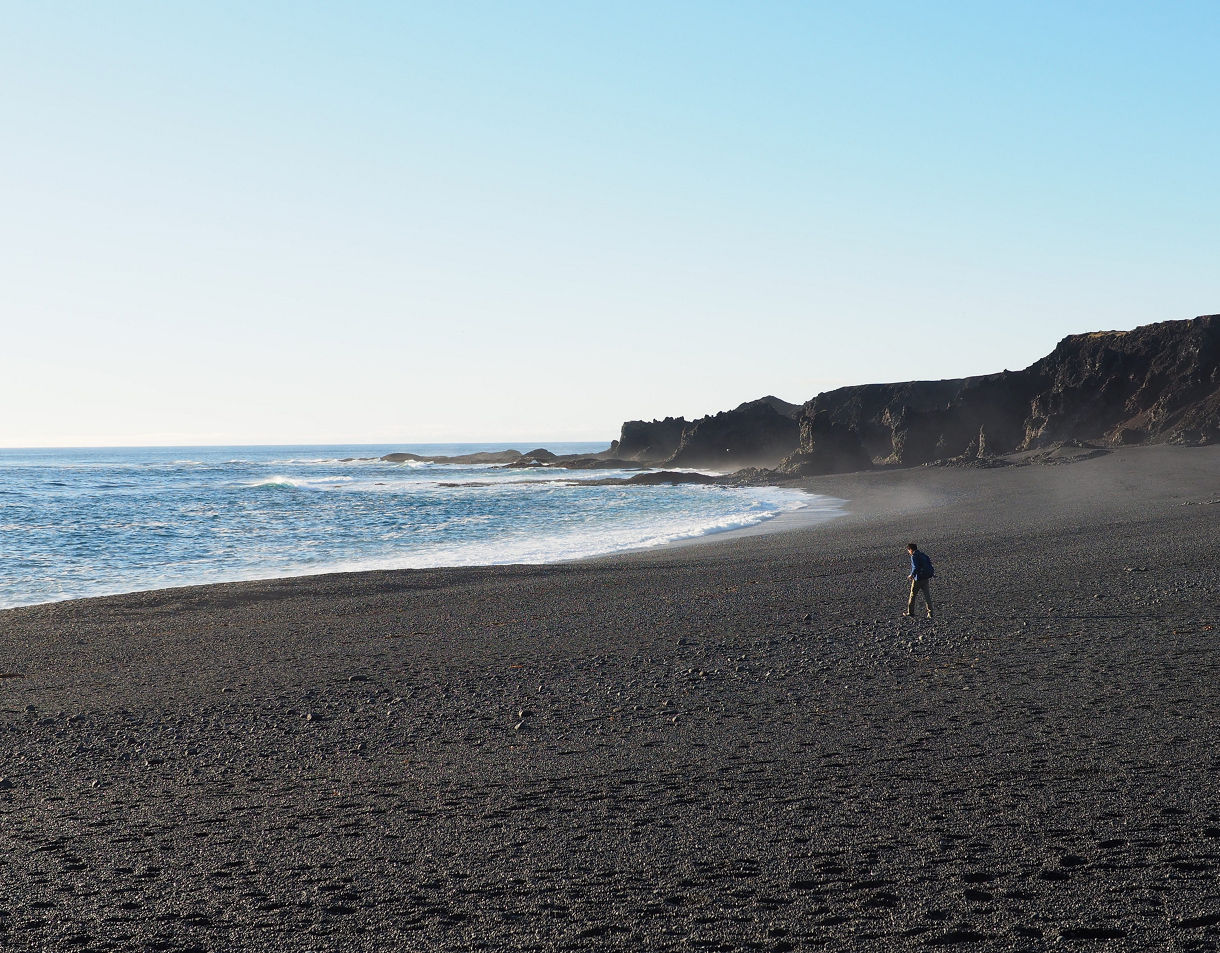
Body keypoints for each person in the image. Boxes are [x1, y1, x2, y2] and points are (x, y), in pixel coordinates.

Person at [904, 542, 934, 618]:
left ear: (910, 549)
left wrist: (911, 575)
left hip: (918, 579)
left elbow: (915, 567)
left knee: (913, 595)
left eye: (908, 550)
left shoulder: (914, 556)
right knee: (927, 595)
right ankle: (930, 613)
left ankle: (910, 612)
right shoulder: (923, 555)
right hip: (926, 577)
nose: (909, 552)